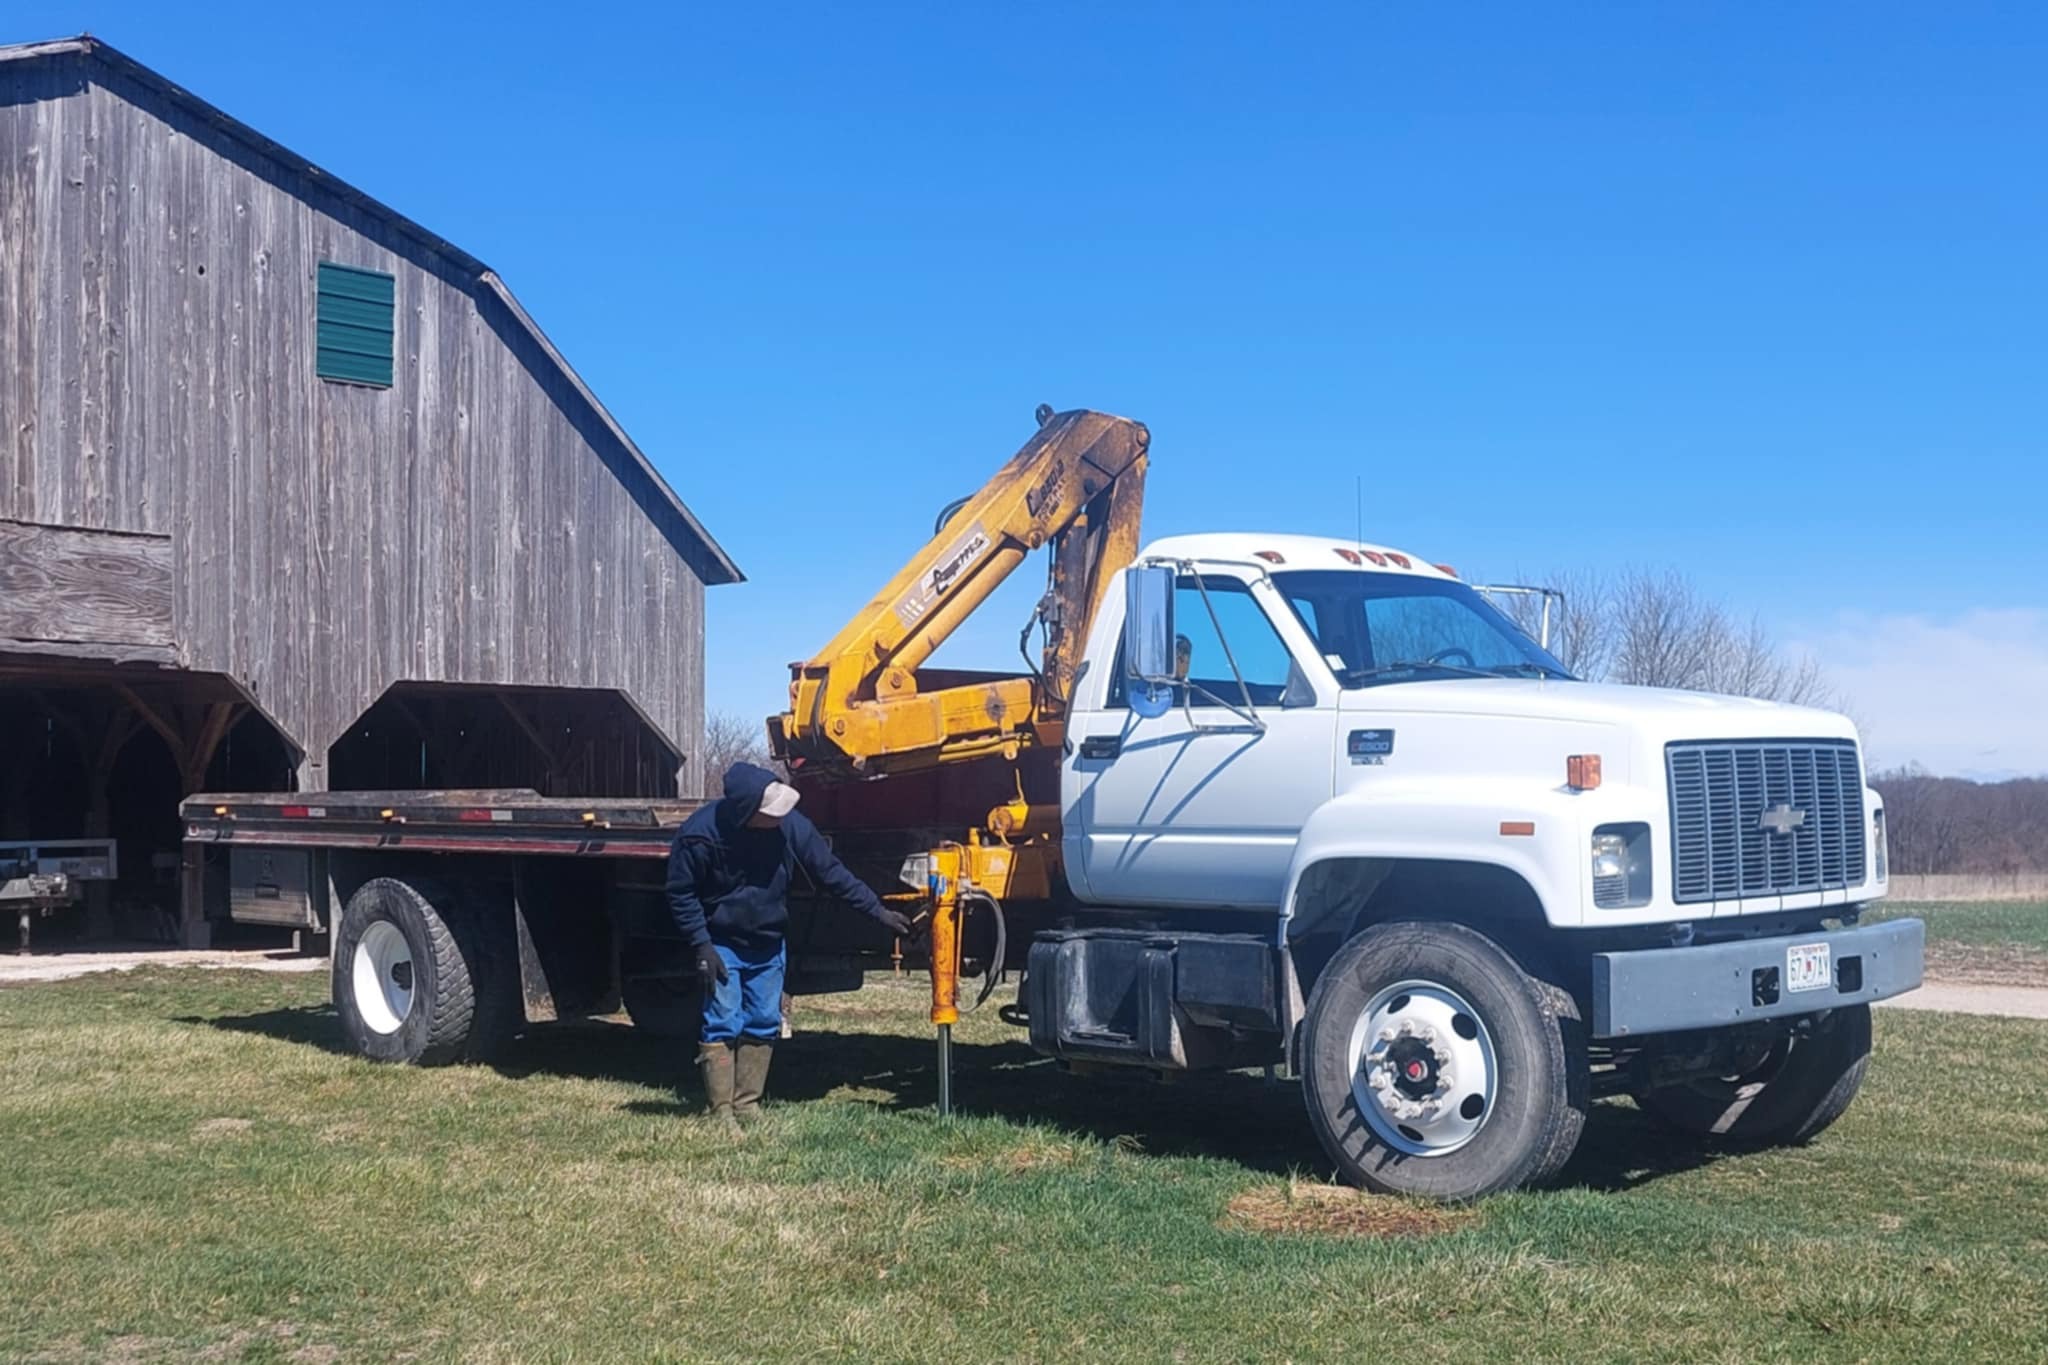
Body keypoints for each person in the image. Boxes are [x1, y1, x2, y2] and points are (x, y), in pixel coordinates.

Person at [665, 761, 912, 1132]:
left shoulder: (792, 826)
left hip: (768, 943)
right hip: (721, 942)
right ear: (747, 812)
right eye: (772, 811)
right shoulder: (698, 835)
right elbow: (681, 893)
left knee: (764, 1021)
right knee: (723, 1020)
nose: (781, 816)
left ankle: (747, 1105)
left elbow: (832, 873)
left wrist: (877, 911)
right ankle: (720, 1113)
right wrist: (702, 946)